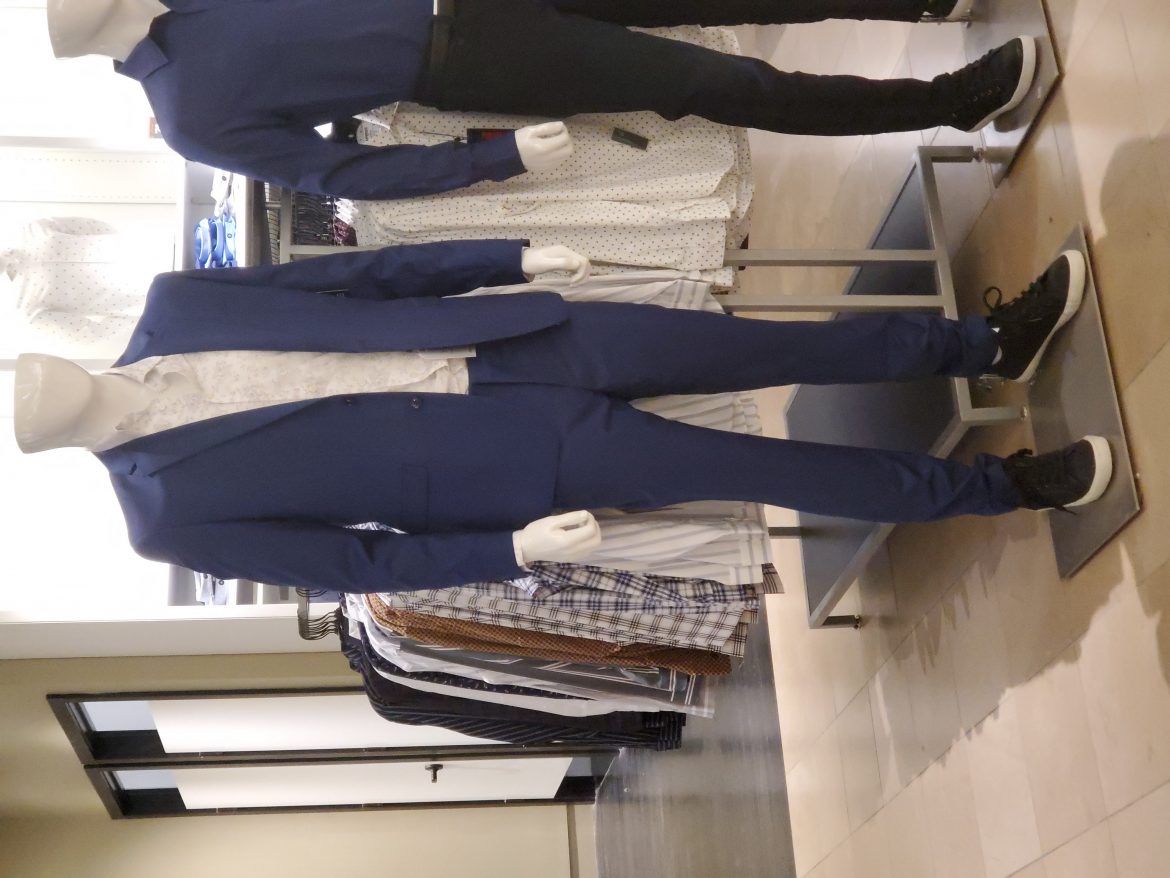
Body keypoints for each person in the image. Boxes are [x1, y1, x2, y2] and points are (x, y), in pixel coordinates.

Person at [13, 239, 1111, 593]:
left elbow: (363, 277)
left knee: (768, 343)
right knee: (766, 470)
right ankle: (1006, 488)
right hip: (507, 463)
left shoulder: (177, 300)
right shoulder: (164, 519)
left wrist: (505, 257)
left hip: (521, 336)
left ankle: (983, 344)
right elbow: (356, 563)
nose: (28, 376)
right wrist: (509, 551)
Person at [44, 0, 1033, 199]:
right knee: (706, 83)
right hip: (470, 59)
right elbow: (340, 172)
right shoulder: (191, 117)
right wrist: (490, 159)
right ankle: (948, 101)